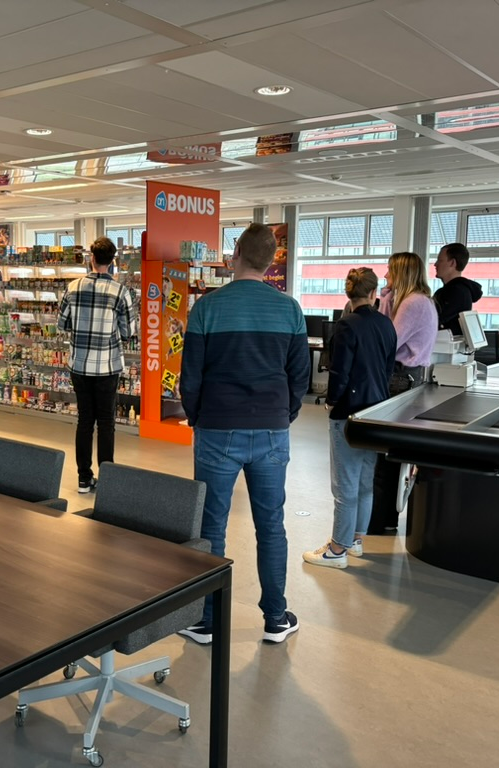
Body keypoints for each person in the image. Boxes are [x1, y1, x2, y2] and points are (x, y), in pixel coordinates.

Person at [179, 223, 310, 644]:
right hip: (271, 429)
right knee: (271, 525)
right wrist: (284, 414)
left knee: (211, 525)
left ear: (235, 254)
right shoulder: (289, 309)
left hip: (217, 427)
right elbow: (300, 376)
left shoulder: (207, 308)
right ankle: (275, 618)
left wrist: (198, 416)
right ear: (272, 261)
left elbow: (191, 377)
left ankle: (207, 620)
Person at [302, 268, 396, 569]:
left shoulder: (346, 326)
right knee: (366, 480)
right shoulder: (386, 325)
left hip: (349, 412)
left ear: (349, 294)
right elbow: (388, 367)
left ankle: (337, 549)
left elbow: (339, 371)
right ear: (373, 293)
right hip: (377, 411)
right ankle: (356, 539)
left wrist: (331, 401)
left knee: (344, 483)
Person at [57, 237, 135, 493]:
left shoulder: (72, 287)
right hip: (107, 366)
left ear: (91, 257)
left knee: (84, 421)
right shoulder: (120, 291)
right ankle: (107, 479)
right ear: (112, 261)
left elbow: (63, 324)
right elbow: (128, 331)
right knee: (106, 423)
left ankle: (83, 478)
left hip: (79, 364)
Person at [368, 251, 438, 534]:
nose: (386, 276)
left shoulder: (413, 304)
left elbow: (387, 339)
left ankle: (378, 520)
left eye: (389, 271)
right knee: (390, 455)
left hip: (399, 379)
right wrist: (386, 297)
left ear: (401, 273)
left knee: (384, 454)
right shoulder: (417, 300)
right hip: (407, 378)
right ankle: (384, 519)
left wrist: (384, 299)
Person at [433, 243, 482, 336]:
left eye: (440, 260)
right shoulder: (450, 291)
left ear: (452, 263)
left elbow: (432, 320)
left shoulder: (457, 292)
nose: (435, 264)